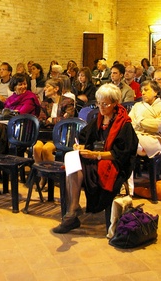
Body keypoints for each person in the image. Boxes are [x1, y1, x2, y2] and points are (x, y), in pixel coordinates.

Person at [51, 83, 138, 234]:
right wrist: (80, 147)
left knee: (75, 167)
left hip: (113, 163)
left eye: (105, 104)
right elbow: (84, 137)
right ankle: (72, 211)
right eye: (99, 103)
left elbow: (120, 154)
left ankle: (72, 213)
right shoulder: (98, 119)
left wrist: (96, 155)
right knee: (71, 157)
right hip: (94, 159)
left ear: (115, 103)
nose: (101, 107)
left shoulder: (124, 124)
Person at [33, 78, 75, 164]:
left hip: (61, 134)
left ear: (56, 89)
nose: (44, 89)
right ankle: (42, 175)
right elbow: (41, 120)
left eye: (48, 87)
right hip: (46, 133)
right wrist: (56, 120)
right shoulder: (45, 103)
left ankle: (52, 174)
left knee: (46, 149)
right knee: (36, 148)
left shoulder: (68, 101)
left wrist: (51, 119)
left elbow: (66, 120)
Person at [128, 80, 161, 159]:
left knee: (128, 145)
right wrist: (149, 122)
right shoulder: (137, 105)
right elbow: (129, 123)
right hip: (136, 135)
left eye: (146, 90)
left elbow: (157, 126)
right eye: (141, 91)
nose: (143, 93)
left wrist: (139, 121)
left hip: (155, 138)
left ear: (155, 92)